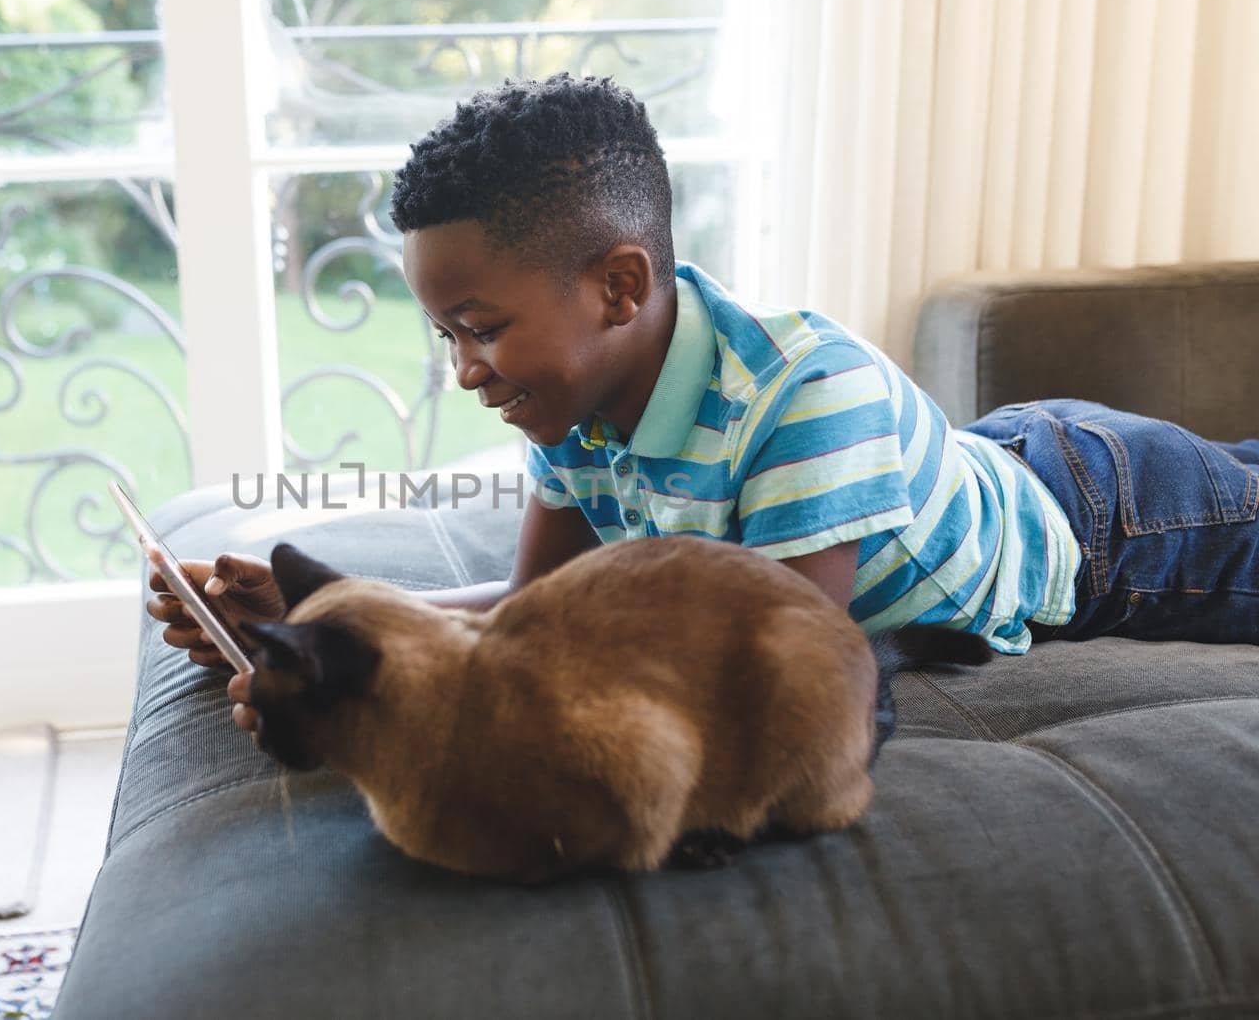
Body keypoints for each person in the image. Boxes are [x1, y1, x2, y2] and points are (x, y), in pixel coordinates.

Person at [148, 74, 1259, 733]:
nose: (465, 370)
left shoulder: (806, 402)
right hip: (976, 471)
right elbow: (535, 605)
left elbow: (771, 672)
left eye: (481, 328)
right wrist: (330, 612)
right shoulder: (571, 414)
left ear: (620, 286)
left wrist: (378, 673)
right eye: (447, 335)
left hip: (1107, 517)